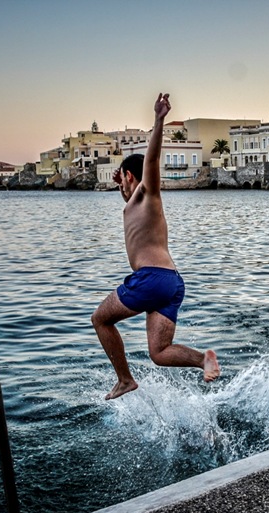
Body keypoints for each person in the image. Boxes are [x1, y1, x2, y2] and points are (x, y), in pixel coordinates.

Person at [92, 93, 220, 400]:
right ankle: (203, 358)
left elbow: (150, 161)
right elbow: (128, 203)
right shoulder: (135, 203)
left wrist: (159, 120)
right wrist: (121, 185)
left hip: (151, 278)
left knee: (100, 319)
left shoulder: (148, 194)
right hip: (171, 282)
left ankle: (124, 379)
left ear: (131, 176)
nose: (119, 185)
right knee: (159, 352)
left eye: (122, 179)